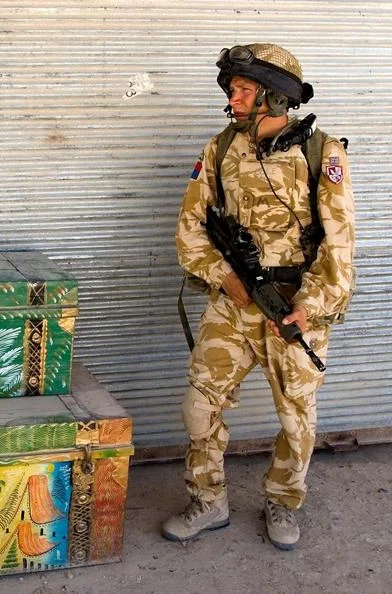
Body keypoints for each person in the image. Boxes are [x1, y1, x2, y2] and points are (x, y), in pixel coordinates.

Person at [163, 44, 355, 551]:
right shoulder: (220, 149)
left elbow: (338, 246)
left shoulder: (322, 152)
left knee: (298, 421)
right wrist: (221, 276)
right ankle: (208, 500)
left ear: (275, 93)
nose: (235, 95)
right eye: (233, 87)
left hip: (293, 309)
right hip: (231, 308)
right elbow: (190, 229)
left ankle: (283, 499)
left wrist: (308, 306)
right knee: (198, 407)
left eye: (245, 88)